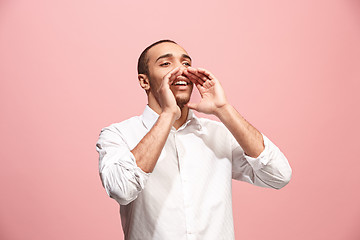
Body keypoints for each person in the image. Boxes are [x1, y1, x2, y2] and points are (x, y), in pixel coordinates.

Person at [95, 39, 292, 240]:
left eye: (186, 64)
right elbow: (121, 189)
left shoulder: (220, 134)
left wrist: (223, 109)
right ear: (144, 81)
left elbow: (278, 175)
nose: (181, 70)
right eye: (166, 64)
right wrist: (167, 115)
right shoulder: (117, 134)